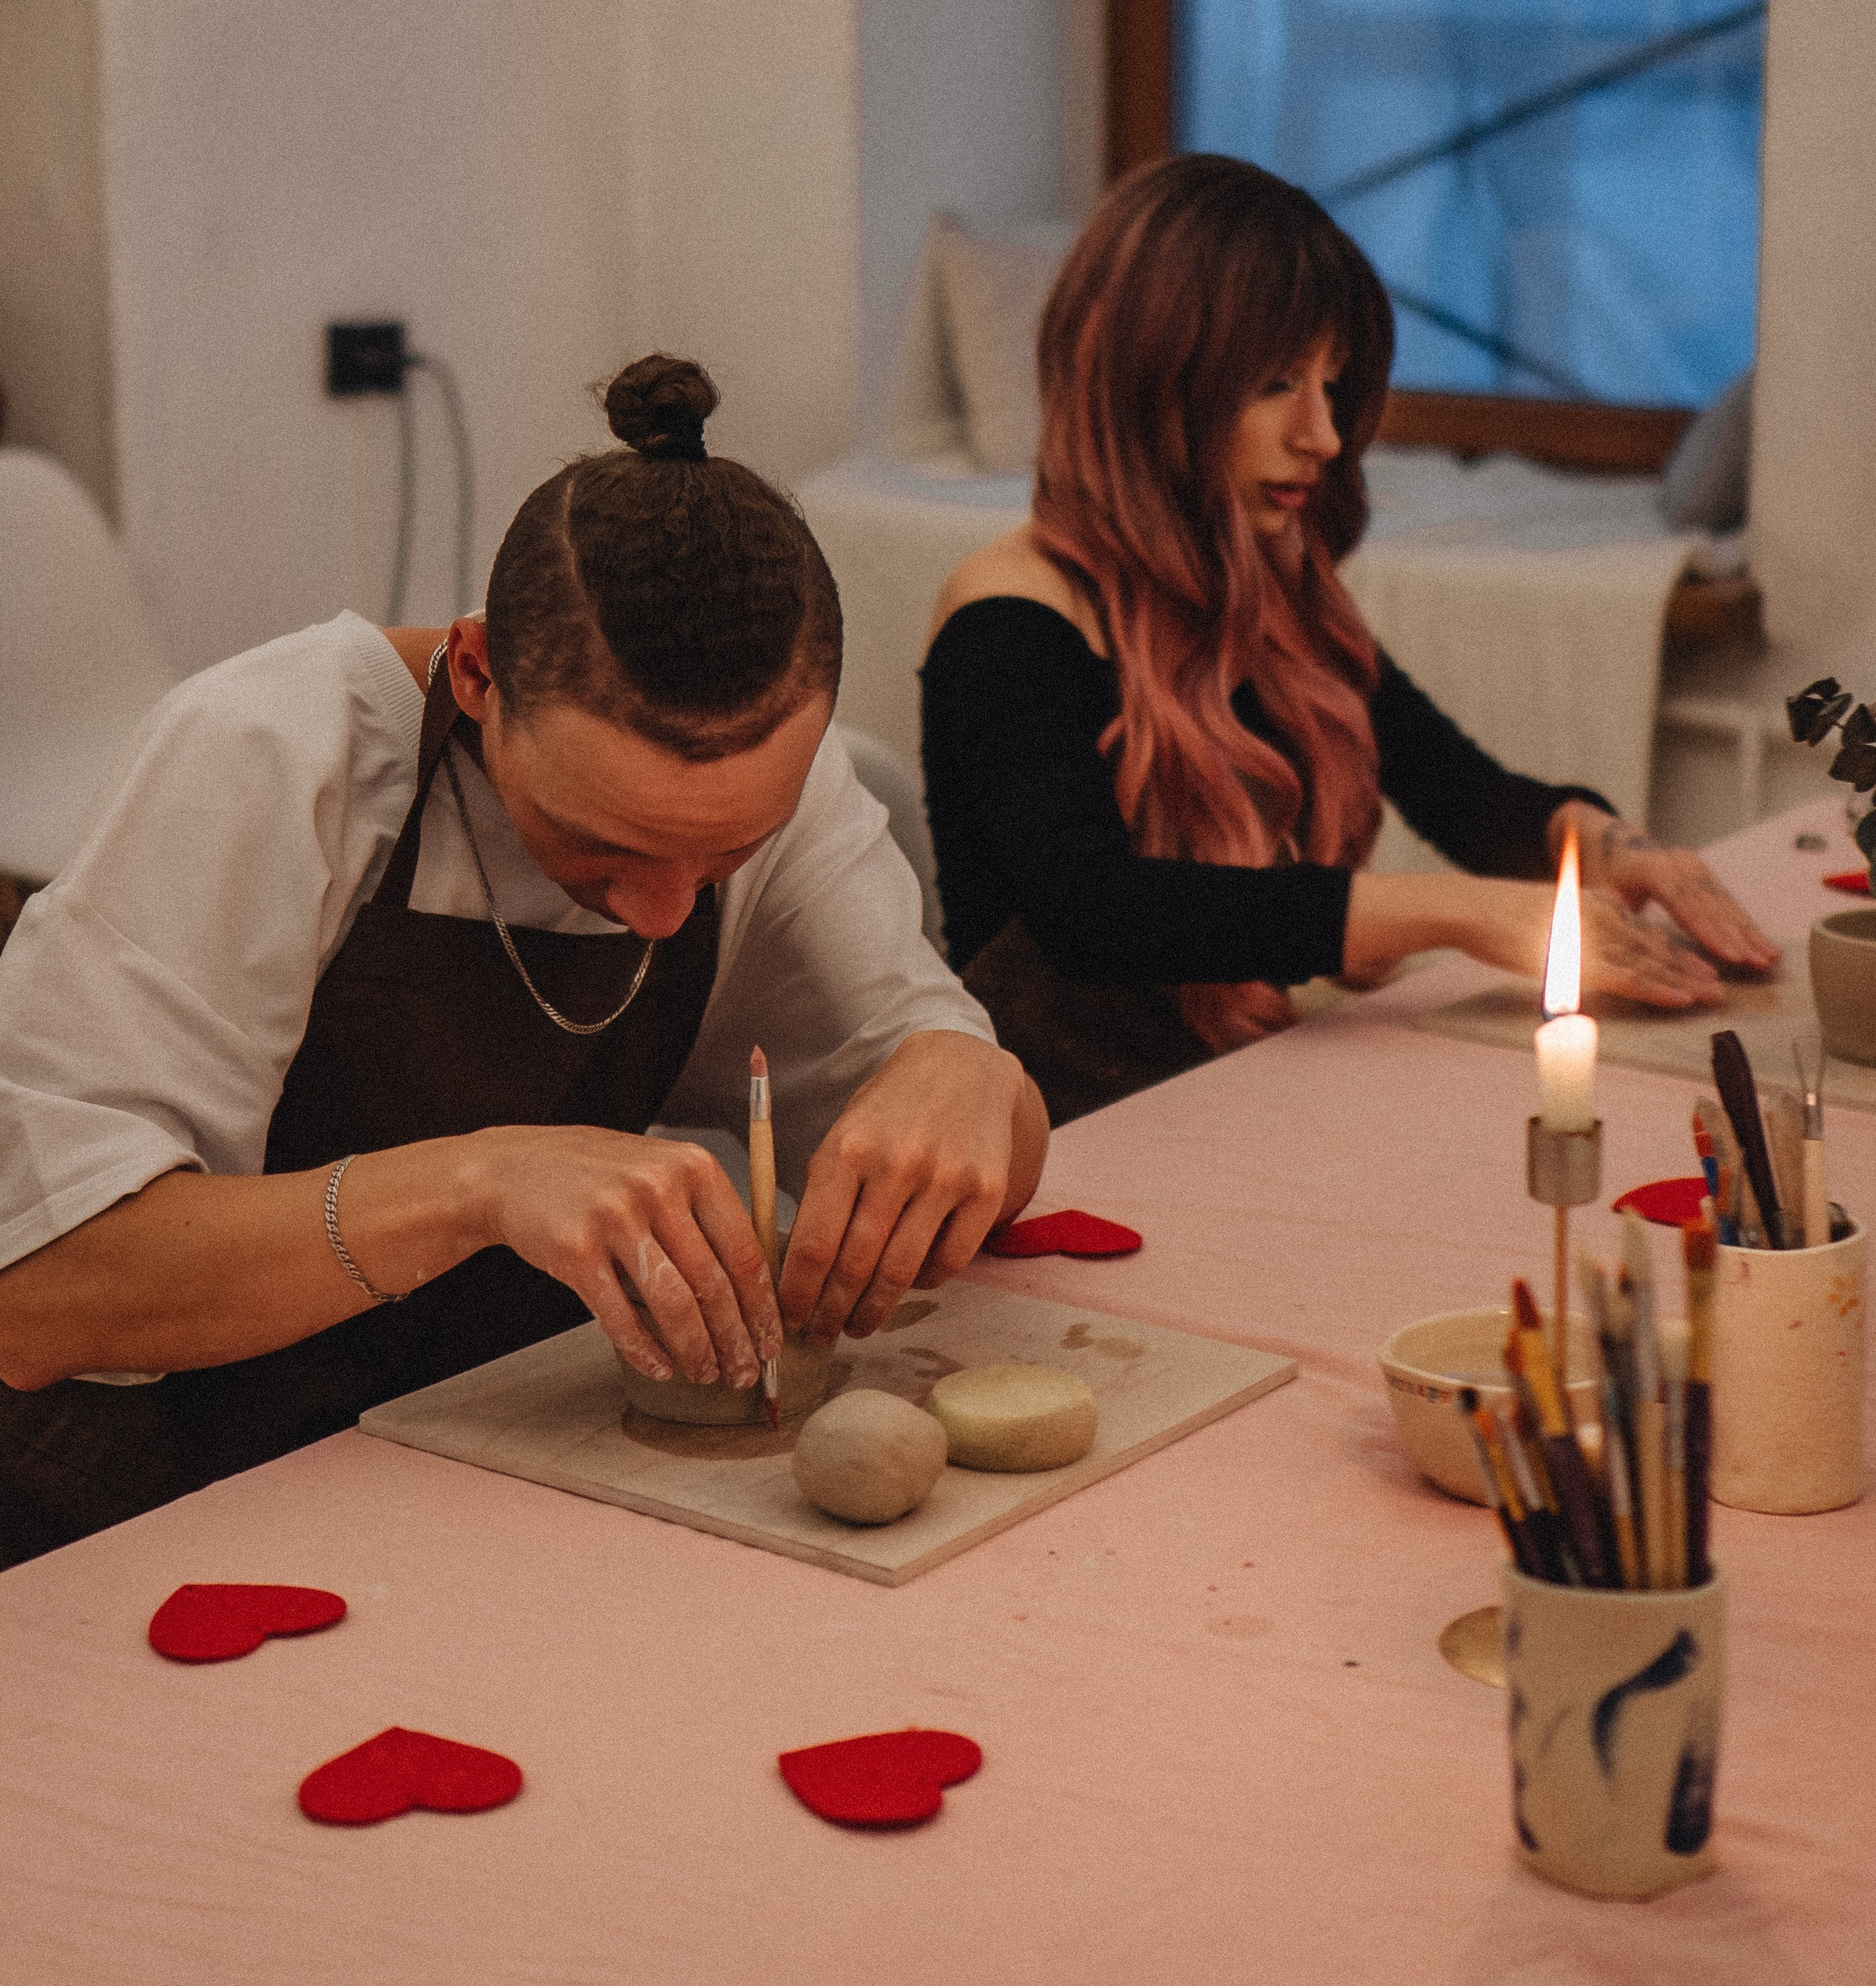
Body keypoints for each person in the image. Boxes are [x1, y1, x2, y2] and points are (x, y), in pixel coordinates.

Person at [0, 355, 1046, 1563]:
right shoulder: (274, 757)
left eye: (719, 858)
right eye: (602, 847)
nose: (660, 914)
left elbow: (968, 1145)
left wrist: (973, 1073)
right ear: (481, 669)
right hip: (155, 1491)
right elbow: (43, 1285)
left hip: (464, 1449)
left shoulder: (770, 793)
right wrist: (478, 1183)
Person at [920, 155, 1778, 1124]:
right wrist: (1465, 913)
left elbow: (1460, 789)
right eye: (1278, 383)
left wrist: (1618, 850)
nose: (1323, 435)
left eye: (1332, 385)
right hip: (1061, 1131)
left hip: (1220, 1088)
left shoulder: (1271, 584)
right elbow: (1096, 912)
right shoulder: (1008, 614)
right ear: (1148, 383)